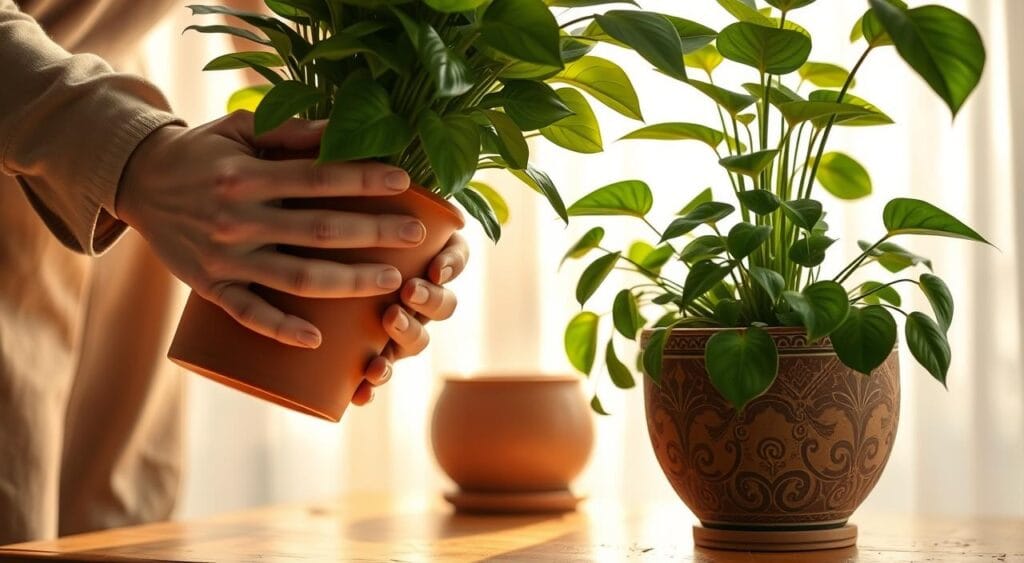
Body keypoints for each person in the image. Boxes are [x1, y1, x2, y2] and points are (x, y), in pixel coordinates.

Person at [0, 0, 468, 544]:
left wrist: (400, 188)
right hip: (63, 131)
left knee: (115, 531)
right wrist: (135, 156)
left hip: (128, 199)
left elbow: (303, 26)